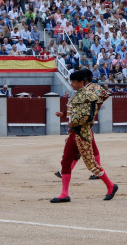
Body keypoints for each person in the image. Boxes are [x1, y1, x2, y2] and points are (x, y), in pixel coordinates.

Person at [51, 70, 118, 203]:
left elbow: (87, 117)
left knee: (91, 164)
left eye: (74, 82)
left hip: (82, 134)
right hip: (73, 133)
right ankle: (64, 194)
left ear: (81, 82)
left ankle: (111, 186)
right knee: (65, 162)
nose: (72, 84)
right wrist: (64, 115)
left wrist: (72, 122)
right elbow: (72, 112)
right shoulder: (77, 96)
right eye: (72, 81)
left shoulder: (89, 96)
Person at [55, 69, 109, 180]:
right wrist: (64, 113)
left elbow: (87, 107)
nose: (72, 84)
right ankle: (68, 170)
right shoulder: (91, 89)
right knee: (85, 148)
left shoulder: (90, 90)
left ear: (82, 80)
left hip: (83, 122)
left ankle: (96, 173)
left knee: (82, 148)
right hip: (83, 122)